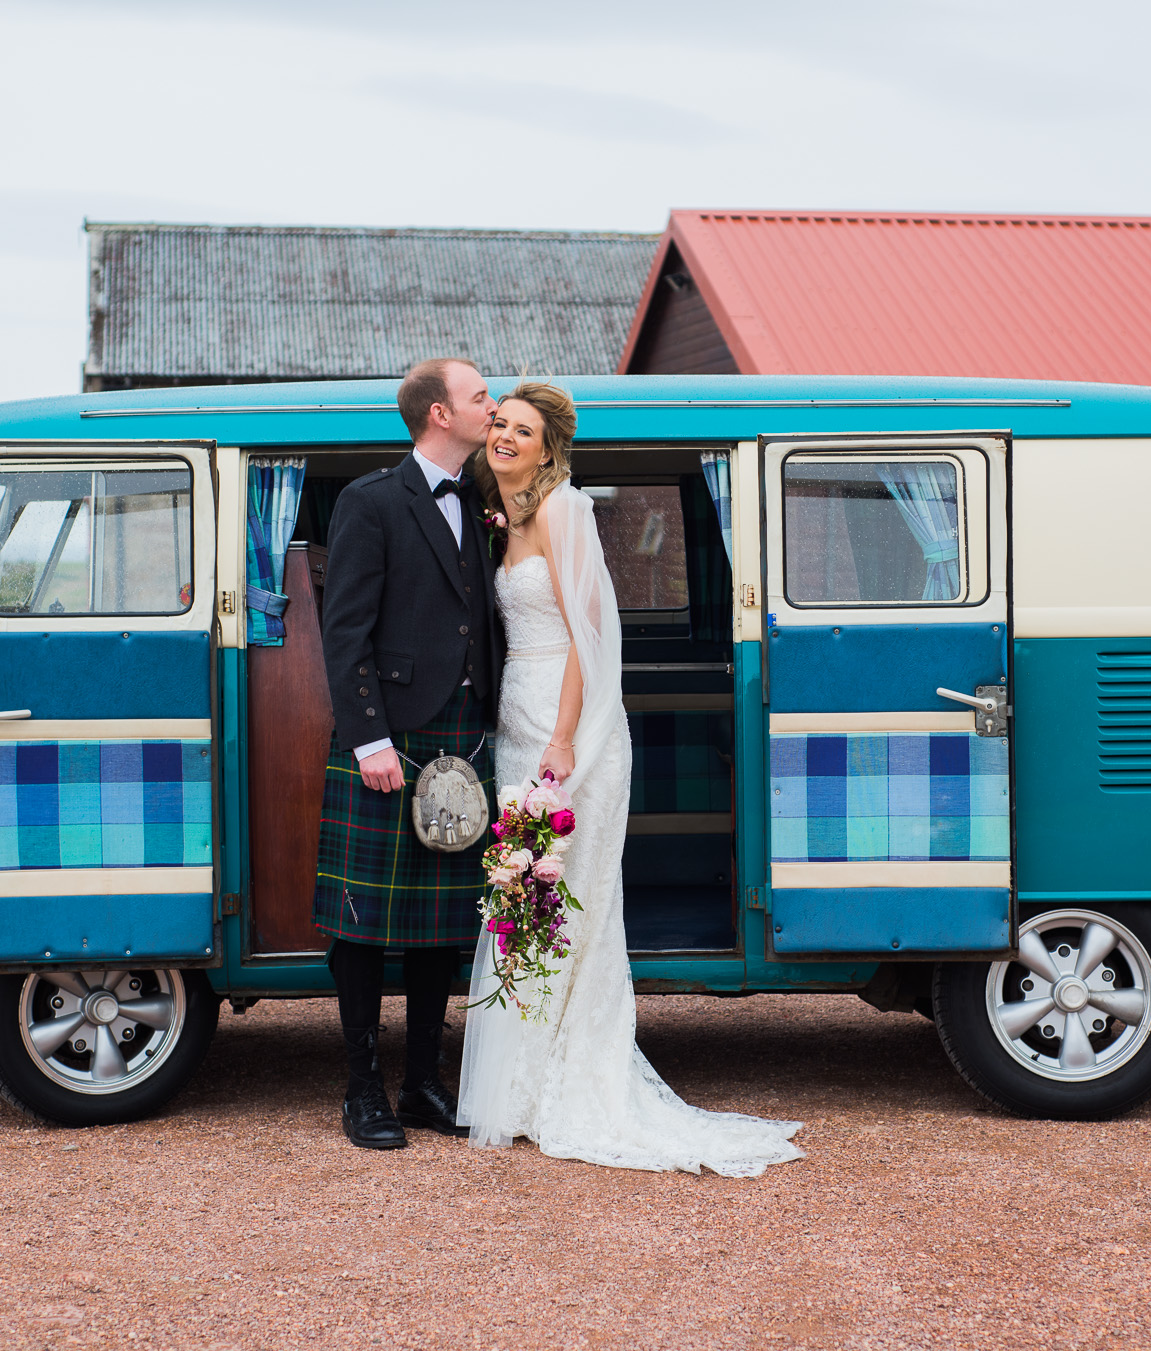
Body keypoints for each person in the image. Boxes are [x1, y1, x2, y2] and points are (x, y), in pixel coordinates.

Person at [455, 382, 805, 1177]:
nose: (506, 436)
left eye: (524, 430)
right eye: (500, 424)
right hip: (516, 720)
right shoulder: (497, 515)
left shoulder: (565, 510)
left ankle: (569, 1079)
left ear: (550, 449)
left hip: (569, 728)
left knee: (568, 898)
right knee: (523, 895)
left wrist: (568, 736)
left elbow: (588, 633)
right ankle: (518, 1081)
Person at [313, 357, 504, 1149]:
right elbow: (344, 630)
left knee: (442, 924)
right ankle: (362, 1089)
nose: (493, 406)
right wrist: (370, 739)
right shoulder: (371, 501)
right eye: (481, 396)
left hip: (467, 737)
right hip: (393, 742)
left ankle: (422, 1079)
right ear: (438, 414)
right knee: (362, 923)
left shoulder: (485, 498)